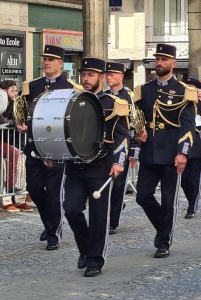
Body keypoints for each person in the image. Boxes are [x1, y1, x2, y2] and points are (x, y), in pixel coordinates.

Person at [63, 57, 129, 277]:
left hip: (101, 165)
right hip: (75, 166)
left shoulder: (114, 102)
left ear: (101, 77)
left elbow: (122, 136)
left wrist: (119, 162)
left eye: (90, 75)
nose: (86, 79)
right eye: (83, 75)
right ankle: (86, 248)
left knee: (99, 215)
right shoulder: (73, 99)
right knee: (71, 209)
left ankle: (94, 260)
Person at [134, 43, 196, 258]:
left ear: (173, 63)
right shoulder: (144, 90)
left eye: (164, 59)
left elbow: (188, 126)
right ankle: (163, 226)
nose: (159, 63)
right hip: (150, 151)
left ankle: (163, 241)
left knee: (169, 200)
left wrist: (183, 152)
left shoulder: (184, 91)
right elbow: (138, 120)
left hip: (171, 151)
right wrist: (137, 133)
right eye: (157, 59)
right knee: (142, 196)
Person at [18, 45, 82, 251]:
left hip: (58, 147)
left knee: (55, 193)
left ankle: (54, 233)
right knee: (34, 188)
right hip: (35, 145)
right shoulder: (32, 85)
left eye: (51, 59)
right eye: (45, 58)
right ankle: (49, 222)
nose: (46, 62)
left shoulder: (71, 87)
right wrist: (20, 123)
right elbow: (20, 107)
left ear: (61, 64)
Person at [105, 61, 139, 234]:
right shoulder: (103, 96)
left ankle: (113, 221)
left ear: (121, 76)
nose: (109, 77)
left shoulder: (130, 97)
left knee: (118, 186)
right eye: (107, 74)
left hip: (122, 147)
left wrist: (133, 152)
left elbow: (135, 126)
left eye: (112, 74)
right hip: (105, 147)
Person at [0, 80, 33, 212]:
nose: (14, 92)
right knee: (6, 168)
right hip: (4, 140)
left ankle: (20, 199)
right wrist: (15, 124)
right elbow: (0, 119)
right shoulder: (1, 103)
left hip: (18, 141)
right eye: (11, 89)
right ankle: (6, 199)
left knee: (21, 169)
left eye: (15, 89)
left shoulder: (19, 103)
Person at [180, 76, 201, 219]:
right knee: (184, 180)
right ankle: (191, 200)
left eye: (193, 87)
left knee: (195, 179)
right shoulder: (181, 104)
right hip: (184, 146)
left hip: (198, 145)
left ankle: (192, 207)